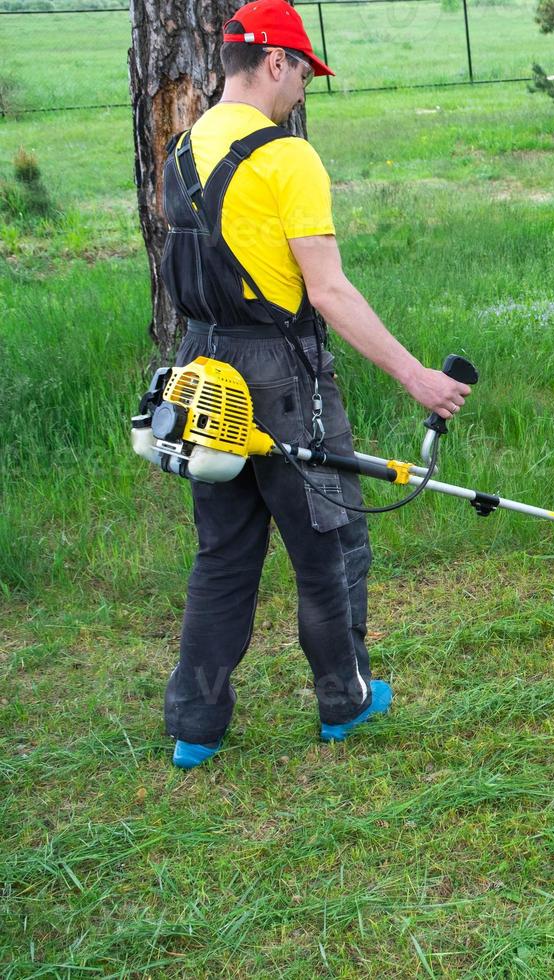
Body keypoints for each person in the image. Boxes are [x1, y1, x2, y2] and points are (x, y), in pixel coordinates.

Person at [158, 0, 470, 768]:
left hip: (203, 373)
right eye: (303, 71)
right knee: (330, 545)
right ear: (273, 62)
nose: (303, 88)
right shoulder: (287, 157)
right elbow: (327, 291)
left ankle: (195, 728)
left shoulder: (181, 150)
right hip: (283, 376)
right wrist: (416, 376)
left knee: (223, 554)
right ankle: (346, 700)